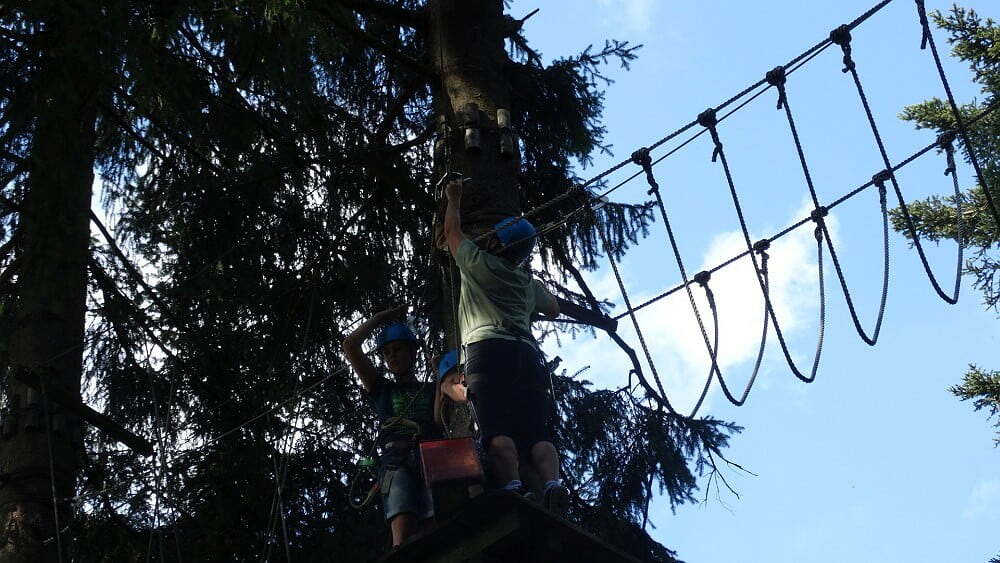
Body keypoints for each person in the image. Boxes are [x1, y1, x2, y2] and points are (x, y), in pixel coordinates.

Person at [441, 178, 617, 516]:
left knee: (496, 425)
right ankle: (552, 484)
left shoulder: (477, 263)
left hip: (487, 352)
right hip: (526, 354)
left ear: (496, 242)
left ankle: (513, 486)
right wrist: (527, 307)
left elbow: (452, 233)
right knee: (536, 430)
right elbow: (554, 308)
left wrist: (453, 197)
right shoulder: (526, 282)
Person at [342, 307, 440, 547]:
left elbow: (440, 420)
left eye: (397, 349)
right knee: (402, 523)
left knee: (435, 522)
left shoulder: (429, 389)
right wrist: (380, 319)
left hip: (430, 456)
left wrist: (441, 378)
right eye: (386, 352)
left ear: (412, 352)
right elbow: (350, 346)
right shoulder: (382, 389)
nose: (392, 356)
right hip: (396, 459)